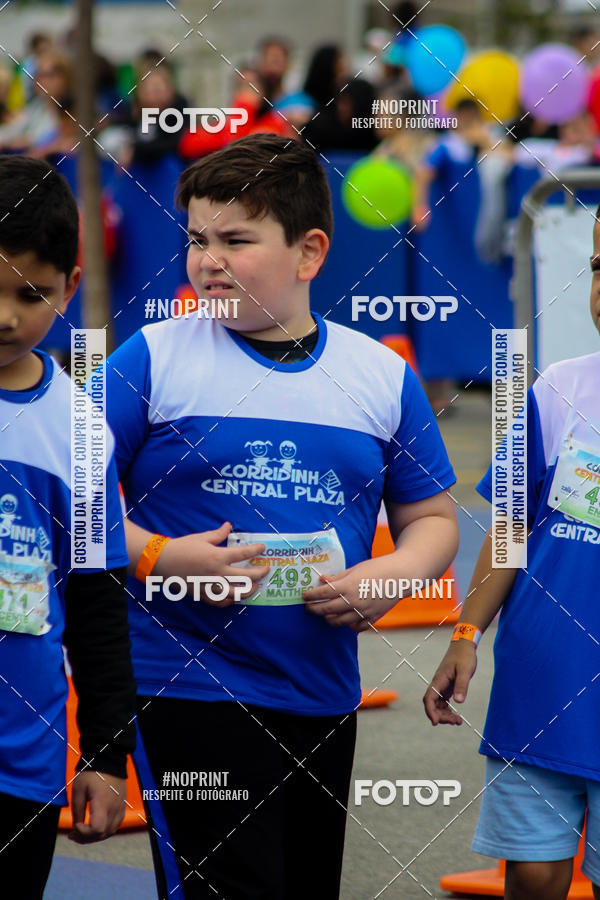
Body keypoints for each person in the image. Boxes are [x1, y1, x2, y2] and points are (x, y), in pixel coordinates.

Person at [105, 133, 459, 899]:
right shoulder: (152, 356)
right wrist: (161, 555)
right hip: (185, 685)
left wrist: (392, 574)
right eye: (197, 239)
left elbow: (433, 517)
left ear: (309, 252)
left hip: (322, 690)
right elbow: (74, 497)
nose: (209, 260)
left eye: (236, 239)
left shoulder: (379, 374)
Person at [423, 206, 600, 898]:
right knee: (532, 873)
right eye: (596, 268)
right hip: (540, 684)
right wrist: (465, 635)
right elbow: (511, 529)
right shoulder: (560, 387)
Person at [0, 155, 136, 898]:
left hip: (22, 758)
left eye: (31, 294)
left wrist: (108, 754)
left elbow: (96, 604)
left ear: (71, 288)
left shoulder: (78, 428)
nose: (5, 316)